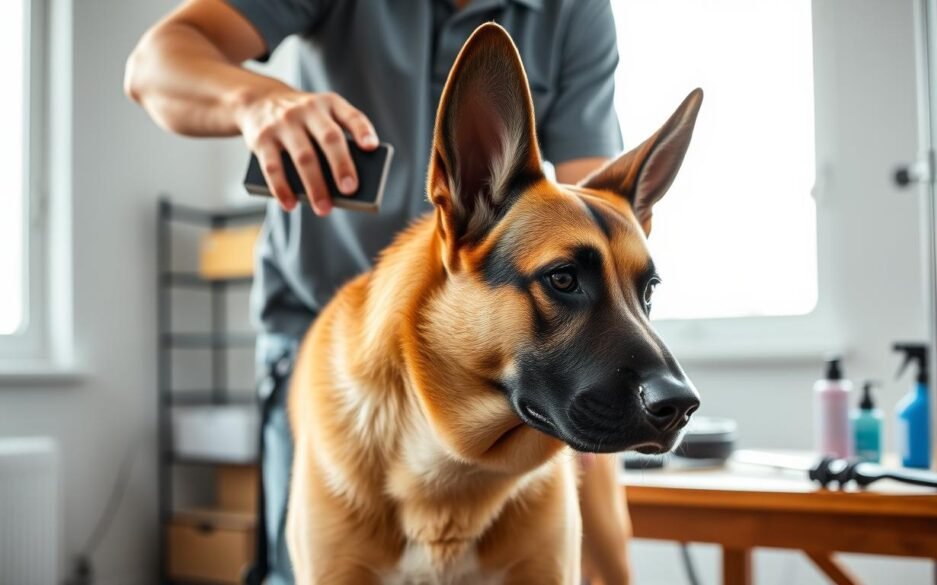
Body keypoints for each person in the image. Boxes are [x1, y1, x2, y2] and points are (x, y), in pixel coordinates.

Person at [126, 1, 632, 583]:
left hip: (500, 371)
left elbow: (590, 213)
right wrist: (256, 101)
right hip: (332, 360)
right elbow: (155, 63)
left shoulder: (575, 11)